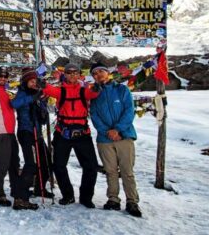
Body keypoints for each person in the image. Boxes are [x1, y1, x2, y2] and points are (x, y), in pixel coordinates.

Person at [42, 63, 100, 208]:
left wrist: (97, 89)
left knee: (91, 166)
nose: (72, 75)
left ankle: (86, 197)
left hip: (82, 134)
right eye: (69, 72)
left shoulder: (84, 90)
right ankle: (68, 195)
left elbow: (93, 93)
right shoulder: (60, 91)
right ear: (65, 74)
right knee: (59, 166)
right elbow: (50, 90)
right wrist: (41, 84)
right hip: (63, 133)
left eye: (75, 73)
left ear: (80, 75)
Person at [89, 62, 143, 217]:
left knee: (127, 171)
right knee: (111, 171)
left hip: (124, 135)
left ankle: (132, 201)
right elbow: (95, 116)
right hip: (105, 139)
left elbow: (129, 110)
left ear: (107, 73)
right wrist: (107, 131)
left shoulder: (122, 89)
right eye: (95, 73)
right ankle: (113, 199)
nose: (98, 75)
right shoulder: (95, 94)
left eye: (101, 71)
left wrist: (118, 129)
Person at [0, 67, 38, 210]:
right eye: (0, 76)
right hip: (0, 131)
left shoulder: (5, 91)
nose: (3, 78)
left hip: (10, 131)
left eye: (5, 76)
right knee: (1, 164)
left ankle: (15, 189)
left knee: (14, 163)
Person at [11, 69, 53, 200]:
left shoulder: (39, 94)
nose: (34, 83)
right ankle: (20, 193)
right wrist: (32, 98)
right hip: (26, 132)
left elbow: (43, 114)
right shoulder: (22, 93)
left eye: (36, 81)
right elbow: (14, 104)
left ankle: (40, 188)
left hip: (38, 133)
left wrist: (43, 110)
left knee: (46, 162)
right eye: (31, 81)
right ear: (26, 82)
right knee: (31, 164)